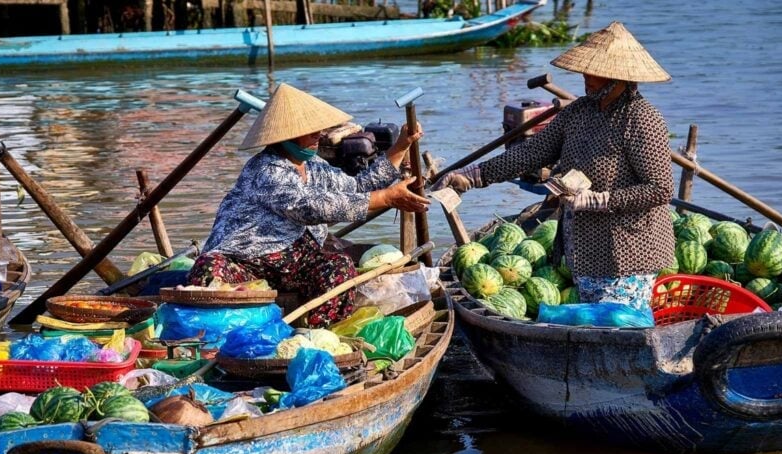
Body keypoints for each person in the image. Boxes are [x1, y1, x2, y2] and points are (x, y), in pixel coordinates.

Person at [433, 21, 675, 317]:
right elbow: (531, 152)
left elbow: (661, 189)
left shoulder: (641, 120)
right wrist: (473, 176)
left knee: (618, 325)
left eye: (596, 73)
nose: (587, 78)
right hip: (585, 245)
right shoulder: (578, 112)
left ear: (618, 78)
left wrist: (598, 200)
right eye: (586, 70)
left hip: (629, 250)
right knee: (593, 323)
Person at [188, 83, 430, 327]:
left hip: (294, 263)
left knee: (339, 267)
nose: (319, 134)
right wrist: (386, 198)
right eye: (310, 130)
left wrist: (401, 145)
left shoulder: (314, 166)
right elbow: (310, 208)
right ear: (287, 136)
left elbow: (359, 188)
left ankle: (311, 333)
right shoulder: (265, 169)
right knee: (208, 269)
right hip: (243, 261)